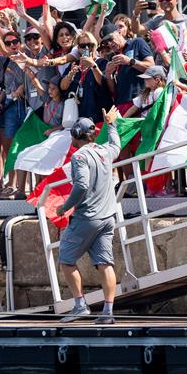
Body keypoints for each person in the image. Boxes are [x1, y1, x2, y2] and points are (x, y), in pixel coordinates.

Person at [57, 107, 122, 325]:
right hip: (108, 217)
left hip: (87, 217)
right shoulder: (104, 152)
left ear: (76, 135)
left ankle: (79, 305)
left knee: (66, 260)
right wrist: (111, 124)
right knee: (105, 263)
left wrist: (64, 207)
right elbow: (116, 146)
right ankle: (108, 311)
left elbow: (81, 185)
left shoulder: (79, 156)